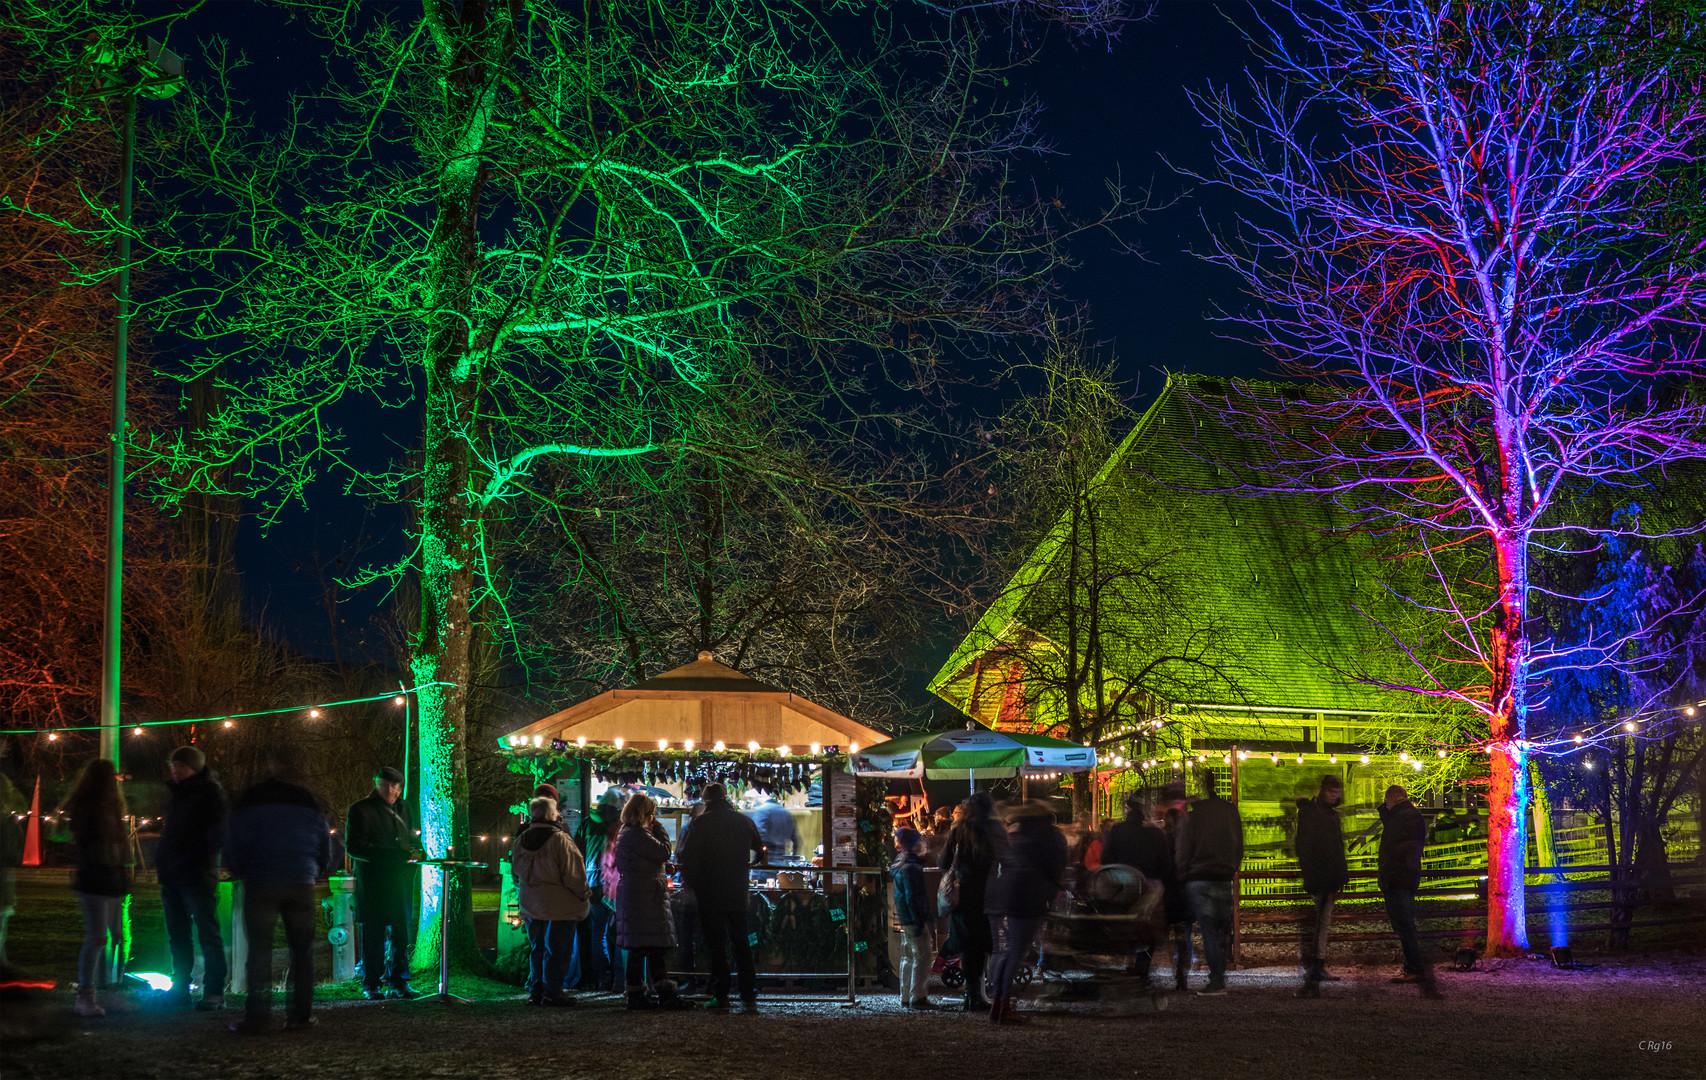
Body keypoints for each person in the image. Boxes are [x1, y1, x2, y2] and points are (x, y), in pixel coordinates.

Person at [224, 745, 332, 1034]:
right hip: (300, 882)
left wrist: (239, 870)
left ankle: (257, 1017)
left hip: (261, 882)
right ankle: (299, 1015)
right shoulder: (308, 801)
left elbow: (233, 838)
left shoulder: (251, 798)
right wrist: (316, 869)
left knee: (259, 951)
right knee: (302, 952)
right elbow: (324, 842)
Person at [675, 781, 764, 1013]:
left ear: (705, 801)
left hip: (710, 894)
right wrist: (748, 865)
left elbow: (687, 859)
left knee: (716, 946)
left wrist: (694, 886)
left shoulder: (700, 824)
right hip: (737, 892)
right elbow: (760, 850)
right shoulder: (743, 821)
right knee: (742, 944)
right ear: (726, 798)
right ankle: (748, 997)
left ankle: (721, 996)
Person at [156, 745, 229, 1010]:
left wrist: (198, 862)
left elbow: (215, 836)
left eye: (180, 766)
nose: (174, 771)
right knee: (179, 936)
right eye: (173, 765)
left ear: (194, 768)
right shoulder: (180, 795)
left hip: (196, 876)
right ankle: (181, 989)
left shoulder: (209, 795)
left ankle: (213, 992)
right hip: (176, 875)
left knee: (206, 935)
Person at [61, 759, 132, 1018]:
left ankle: (98, 992)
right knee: (98, 937)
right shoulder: (95, 807)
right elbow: (100, 844)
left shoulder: (105, 806)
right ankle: (86, 995)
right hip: (98, 877)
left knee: (111, 936)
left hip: (107, 876)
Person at [985, 800, 1066, 1025]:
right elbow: (1055, 865)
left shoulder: (1017, 834)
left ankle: (998, 1005)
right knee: (1016, 952)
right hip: (1031, 896)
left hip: (1010, 893)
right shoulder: (1048, 836)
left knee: (1009, 951)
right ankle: (1005, 1007)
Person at [345, 766, 420, 1000]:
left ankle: (399, 981)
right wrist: (392, 854)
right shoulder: (361, 810)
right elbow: (354, 846)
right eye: (389, 786)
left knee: (401, 933)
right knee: (374, 934)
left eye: (398, 787)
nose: (394, 791)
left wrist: (417, 851)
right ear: (377, 784)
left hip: (400, 881)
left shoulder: (404, 808)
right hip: (374, 883)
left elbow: (410, 836)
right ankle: (372, 983)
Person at [510, 796, 589, 1007]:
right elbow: (573, 874)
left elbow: (515, 873)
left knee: (537, 948)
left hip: (530, 902)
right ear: (552, 814)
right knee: (557, 949)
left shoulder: (522, 839)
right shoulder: (560, 840)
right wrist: (584, 894)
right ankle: (552, 992)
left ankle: (535, 990)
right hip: (559, 904)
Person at [613, 793, 687, 1010]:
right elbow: (663, 851)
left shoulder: (628, 833)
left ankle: (641, 994)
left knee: (644, 947)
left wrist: (662, 869)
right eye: (651, 814)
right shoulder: (637, 834)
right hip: (644, 897)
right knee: (650, 947)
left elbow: (647, 860)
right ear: (644, 814)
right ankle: (659, 995)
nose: (653, 817)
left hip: (640, 895)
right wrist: (661, 828)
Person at [1175, 769, 1244, 996]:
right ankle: (1219, 975)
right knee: (1221, 929)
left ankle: (1217, 980)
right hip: (1223, 876)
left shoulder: (1192, 817)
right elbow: (1238, 841)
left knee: (1209, 930)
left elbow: (1183, 849)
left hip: (1200, 877)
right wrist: (1233, 865)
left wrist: (1182, 874)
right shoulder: (1229, 812)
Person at [1100, 789, 1175, 985]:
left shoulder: (1117, 831)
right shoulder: (1156, 834)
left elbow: (1105, 858)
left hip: (1120, 884)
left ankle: (1129, 960)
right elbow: (1165, 865)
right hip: (1148, 883)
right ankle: (1142, 965)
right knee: (1151, 923)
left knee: (1123, 919)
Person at [937, 792, 1002, 1012]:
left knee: (968, 947)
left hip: (962, 897)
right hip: (986, 896)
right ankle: (977, 995)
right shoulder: (992, 831)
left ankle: (970, 995)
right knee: (981, 947)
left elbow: (944, 862)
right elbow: (1004, 860)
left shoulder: (958, 832)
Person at [1379, 784, 1442, 999]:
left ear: (1393, 799)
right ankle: (1413, 965)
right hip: (1404, 876)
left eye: (1386, 802)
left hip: (1398, 878)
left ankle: (1414, 967)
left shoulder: (1403, 818)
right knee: (1405, 923)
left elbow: (1397, 847)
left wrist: (1391, 875)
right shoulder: (1408, 816)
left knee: (1404, 924)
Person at [1295, 775, 1349, 997]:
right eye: (1331, 791)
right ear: (1323, 790)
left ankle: (1315, 968)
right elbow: (1306, 847)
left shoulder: (1326, 815)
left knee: (1322, 923)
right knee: (1320, 923)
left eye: (1336, 792)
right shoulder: (1316, 814)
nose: (1334, 795)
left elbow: (1337, 847)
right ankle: (1314, 968)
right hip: (1321, 877)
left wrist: (1341, 876)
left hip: (1327, 877)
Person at [571, 788, 623, 992]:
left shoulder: (586, 824)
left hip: (593, 883)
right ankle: (620, 978)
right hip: (617, 885)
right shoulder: (621, 825)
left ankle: (602, 978)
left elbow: (577, 855)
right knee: (621, 933)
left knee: (597, 933)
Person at [891, 827, 933, 1009]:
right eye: (919, 840)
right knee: (923, 956)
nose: (923, 843)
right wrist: (920, 921)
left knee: (907, 956)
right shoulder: (912, 867)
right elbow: (913, 897)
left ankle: (905, 995)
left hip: (903, 917)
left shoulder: (899, 864)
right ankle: (918, 997)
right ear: (913, 844)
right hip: (913, 918)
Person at [748, 794, 800, 860]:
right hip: (781, 860)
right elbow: (796, 840)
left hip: (764, 860)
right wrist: (794, 858)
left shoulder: (761, 811)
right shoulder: (786, 812)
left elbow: (759, 835)